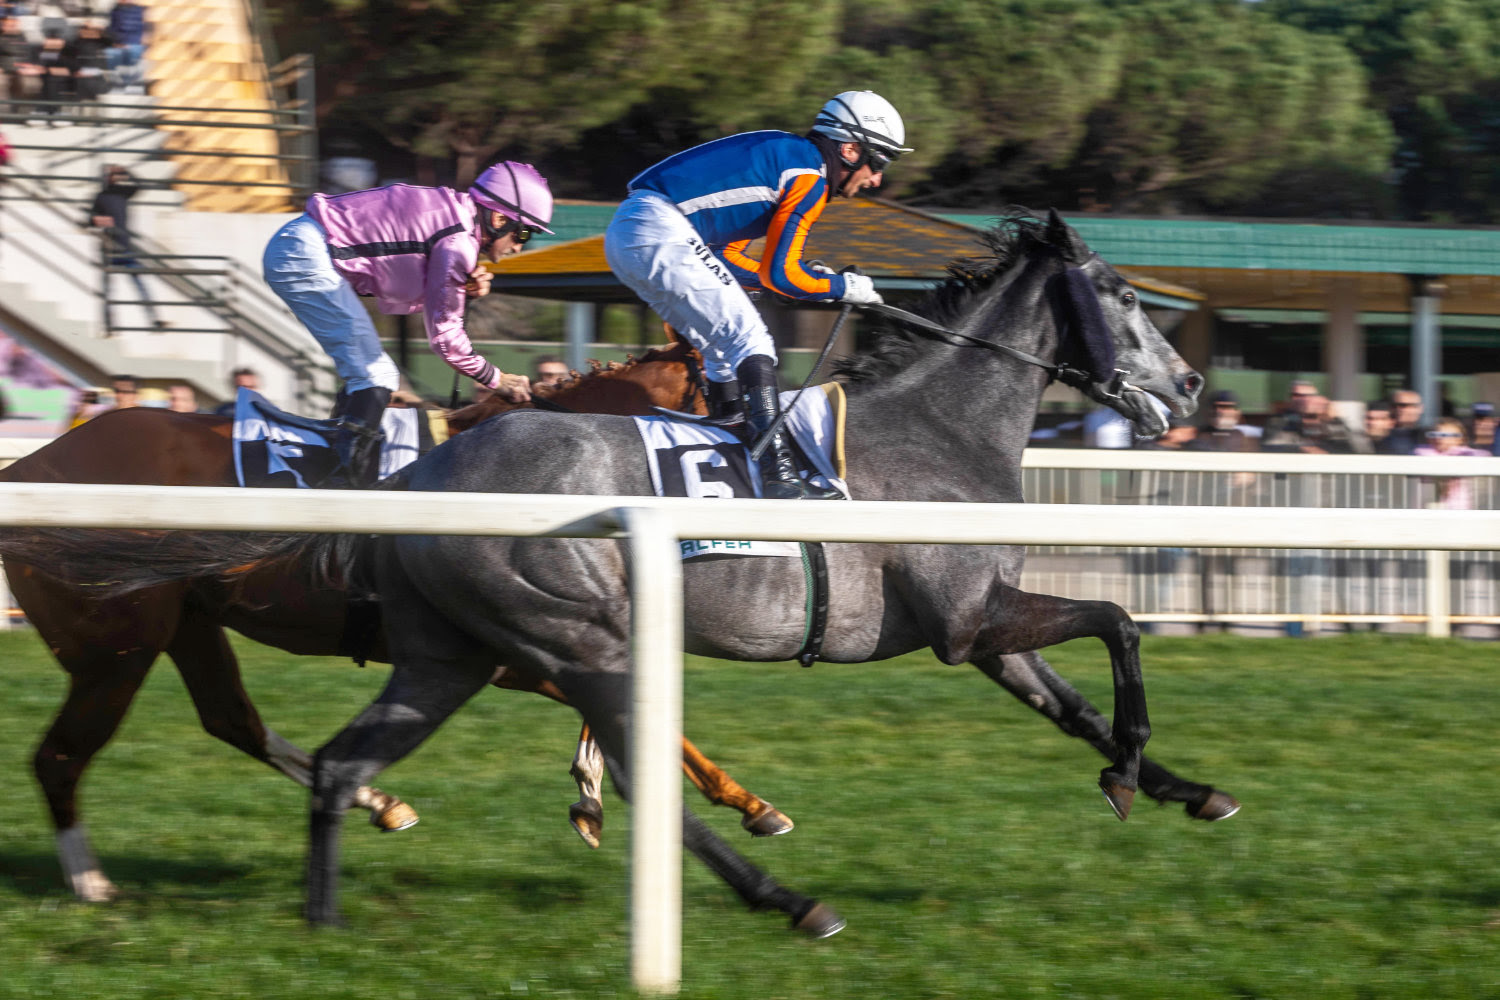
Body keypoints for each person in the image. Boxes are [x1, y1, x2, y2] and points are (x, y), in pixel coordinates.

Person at [604, 90, 905, 499]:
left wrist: (813, 280)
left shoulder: (790, 158)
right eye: (879, 162)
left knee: (722, 347)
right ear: (850, 149)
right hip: (657, 228)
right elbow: (784, 276)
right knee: (752, 339)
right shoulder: (810, 177)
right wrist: (844, 287)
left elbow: (733, 261)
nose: (877, 179)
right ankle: (777, 469)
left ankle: (731, 433)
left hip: (633, 231)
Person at [262, 160, 547, 486]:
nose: (521, 245)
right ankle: (339, 483)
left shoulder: (454, 217)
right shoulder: (458, 241)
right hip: (304, 252)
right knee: (376, 374)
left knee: (369, 371)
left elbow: (408, 287)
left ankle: (338, 462)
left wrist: (461, 290)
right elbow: (445, 341)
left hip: (301, 245)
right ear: (498, 218)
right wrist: (498, 379)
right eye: (525, 232)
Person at [89, 164, 164, 330]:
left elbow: (141, 186)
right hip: (109, 250)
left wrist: (126, 172)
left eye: (114, 175)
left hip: (125, 248)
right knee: (109, 291)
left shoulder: (123, 193)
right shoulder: (99, 197)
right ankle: (109, 324)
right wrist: (96, 220)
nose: (112, 177)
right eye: (110, 174)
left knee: (140, 284)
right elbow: (88, 219)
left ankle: (154, 319)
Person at [1262, 380, 1357, 455]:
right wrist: (1302, 449)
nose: (1304, 400)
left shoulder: (1332, 422)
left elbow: (1348, 449)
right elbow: (1272, 447)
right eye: (1297, 395)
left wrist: (1332, 419)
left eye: (1309, 396)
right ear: (1290, 398)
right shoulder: (1279, 421)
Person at [1413, 417, 1489, 509]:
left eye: (1445, 435)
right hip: (1427, 504)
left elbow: (1483, 455)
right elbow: (1422, 455)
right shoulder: (1422, 451)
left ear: (1460, 439)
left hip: (1458, 505)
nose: (1439, 438)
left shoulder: (1465, 453)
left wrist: (1458, 453)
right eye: (1434, 434)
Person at [1385, 389, 1427, 456]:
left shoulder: (1428, 437)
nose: (1399, 409)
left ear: (1420, 408)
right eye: (1394, 406)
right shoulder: (1383, 436)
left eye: (1404, 405)